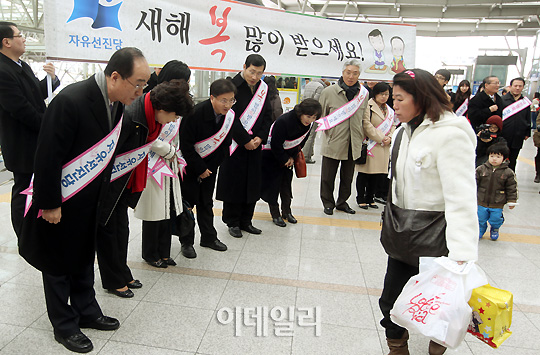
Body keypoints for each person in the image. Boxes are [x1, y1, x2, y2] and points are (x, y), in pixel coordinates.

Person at [18, 47, 151, 353]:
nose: (141, 91)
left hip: (90, 200)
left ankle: (87, 311)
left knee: (82, 257)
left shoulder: (116, 103)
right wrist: (49, 203)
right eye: (139, 83)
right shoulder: (71, 100)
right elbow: (47, 156)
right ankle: (64, 325)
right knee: (57, 262)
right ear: (115, 76)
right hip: (62, 200)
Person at [379, 69, 478, 355]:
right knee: (390, 302)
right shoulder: (401, 133)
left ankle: (436, 351)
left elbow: (461, 198)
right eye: (392, 98)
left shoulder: (449, 135)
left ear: (421, 98)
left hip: (438, 239)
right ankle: (398, 349)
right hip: (403, 234)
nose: (393, 104)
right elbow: (396, 187)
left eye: (399, 98)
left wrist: (462, 253)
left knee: (441, 307)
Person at [96, 79, 193, 298]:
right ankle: (113, 280)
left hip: (125, 180)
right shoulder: (134, 116)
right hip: (112, 182)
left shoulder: (150, 118)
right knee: (110, 231)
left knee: (121, 229)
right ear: (163, 108)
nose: (174, 121)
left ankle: (122, 272)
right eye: (175, 116)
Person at [0, 21, 60, 238]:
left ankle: (35, 229)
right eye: (19, 35)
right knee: (23, 188)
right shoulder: (3, 71)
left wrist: (51, 79)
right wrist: (49, 124)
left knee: (35, 187)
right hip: (21, 143)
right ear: (6, 42)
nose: (24, 38)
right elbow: (21, 110)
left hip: (36, 139)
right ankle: (23, 233)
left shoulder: (21, 66)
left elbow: (38, 94)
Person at [179, 79, 241, 258]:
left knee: (206, 203)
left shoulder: (229, 116)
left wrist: (210, 168)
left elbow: (225, 144)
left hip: (211, 168)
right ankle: (186, 242)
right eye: (224, 100)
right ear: (212, 97)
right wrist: (199, 168)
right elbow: (186, 145)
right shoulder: (194, 114)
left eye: (231, 100)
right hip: (190, 167)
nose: (228, 105)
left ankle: (208, 237)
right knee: (188, 205)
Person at [216, 54, 272, 238]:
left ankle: (247, 220)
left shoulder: (264, 89)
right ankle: (232, 221)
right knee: (234, 182)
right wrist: (244, 140)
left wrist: (259, 137)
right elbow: (228, 116)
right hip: (234, 144)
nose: (255, 76)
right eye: (252, 71)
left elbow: (267, 116)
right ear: (244, 67)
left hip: (255, 145)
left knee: (252, 182)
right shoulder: (231, 86)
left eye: (259, 73)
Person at [261, 98, 322, 227]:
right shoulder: (284, 121)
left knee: (286, 185)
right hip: (271, 156)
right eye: (308, 116)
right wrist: (285, 158)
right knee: (273, 186)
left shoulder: (309, 125)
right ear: (301, 112)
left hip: (289, 157)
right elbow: (275, 144)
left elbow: (301, 143)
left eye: (314, 117)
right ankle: (275, 213)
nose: (310, 120)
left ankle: (287, 212)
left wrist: (292, 158)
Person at [318, 59, 367, 215]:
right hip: (334, 141)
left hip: (354, 142)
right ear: (342, 72)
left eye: (355, 73)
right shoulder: (328, 92)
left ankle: (342, 202)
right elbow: (321, 117)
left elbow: (364, 118)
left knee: (348, 177)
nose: (351, 76)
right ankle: (327, 202)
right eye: (348, 72)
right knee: (328, 176)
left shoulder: (363, 94)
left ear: (359, 75)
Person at [355, 82, 395, 209]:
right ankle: (361, 197)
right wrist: (381, 138)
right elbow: (366, 124)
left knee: (377, 174)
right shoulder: (368, 106)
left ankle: (370, 198)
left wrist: (390, 137)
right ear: (375, 94)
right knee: (364, 173)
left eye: (387, 94)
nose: (384, 97)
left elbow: (393, 125)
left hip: (383, 146)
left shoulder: (389, 110)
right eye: (381, 94)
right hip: (371, 144)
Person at [477, 143, 518, 241]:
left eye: (498, 156)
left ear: (504, 158)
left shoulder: (508, 173)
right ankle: (480, 229)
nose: (494, 159)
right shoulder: (481, 169)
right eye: (492, 156)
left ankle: (495, 228)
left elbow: (511, 187)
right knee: (480, 218)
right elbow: (474, 183)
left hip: (498, 202)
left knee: (495, 219)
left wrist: (512, 200)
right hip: (481, 200)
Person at [501, 77, 531, 172]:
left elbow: (528, 117)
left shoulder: (525, 102)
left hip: (518, 135)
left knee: (513, 160)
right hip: (504, 134)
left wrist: (527, 132)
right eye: (515, 86)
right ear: (510, 86)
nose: (517, 88)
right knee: (501, 158)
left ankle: (510, 179)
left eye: (520, 86)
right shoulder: (502, 100)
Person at [302, 78, 328, 164]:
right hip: (313, 114)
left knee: (306, 134)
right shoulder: (320, 87)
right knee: (311, 135)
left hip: (305, 113)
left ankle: (308, 154)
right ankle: (306, 156)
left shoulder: (309, 84)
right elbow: (316, 102)